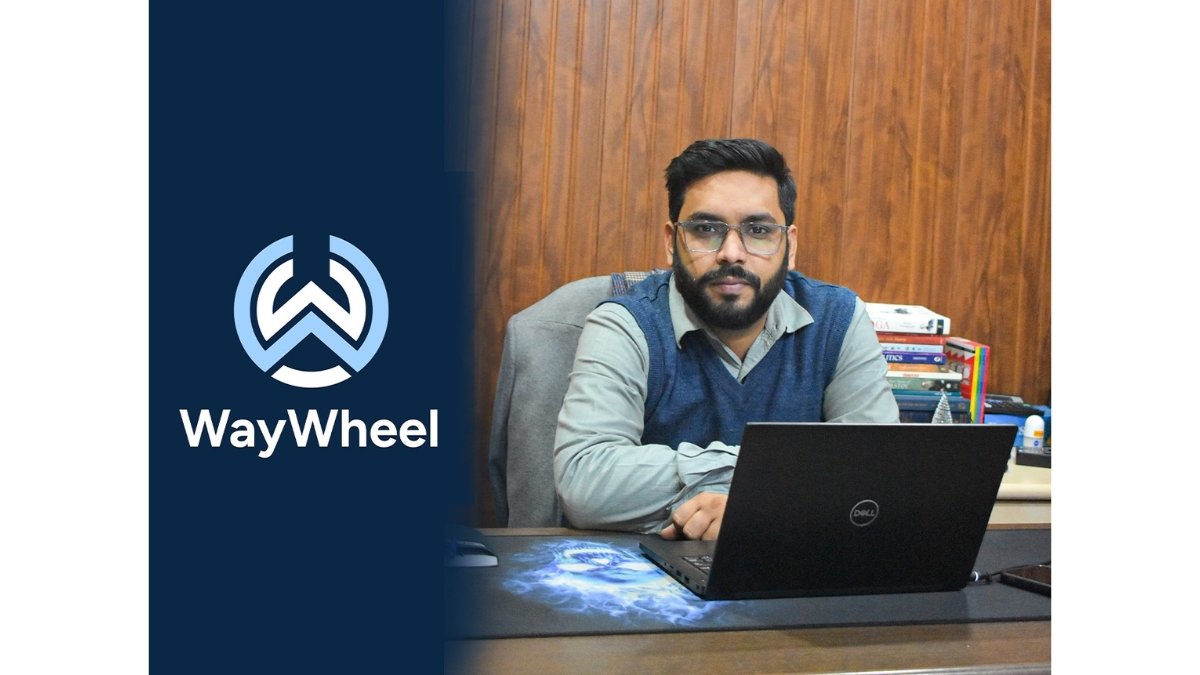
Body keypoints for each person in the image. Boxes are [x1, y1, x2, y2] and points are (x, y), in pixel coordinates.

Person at [553, 138, 899, 541]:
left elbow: (881, 475)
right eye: (705, 229)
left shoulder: (839, 320)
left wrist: (750, 503)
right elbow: (585, 482)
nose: (732, 253)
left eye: (759, 230)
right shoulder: (625, 325)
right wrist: (767, 485)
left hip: (793, 569)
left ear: (789, 246)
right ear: (671, 242)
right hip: (648, 572)